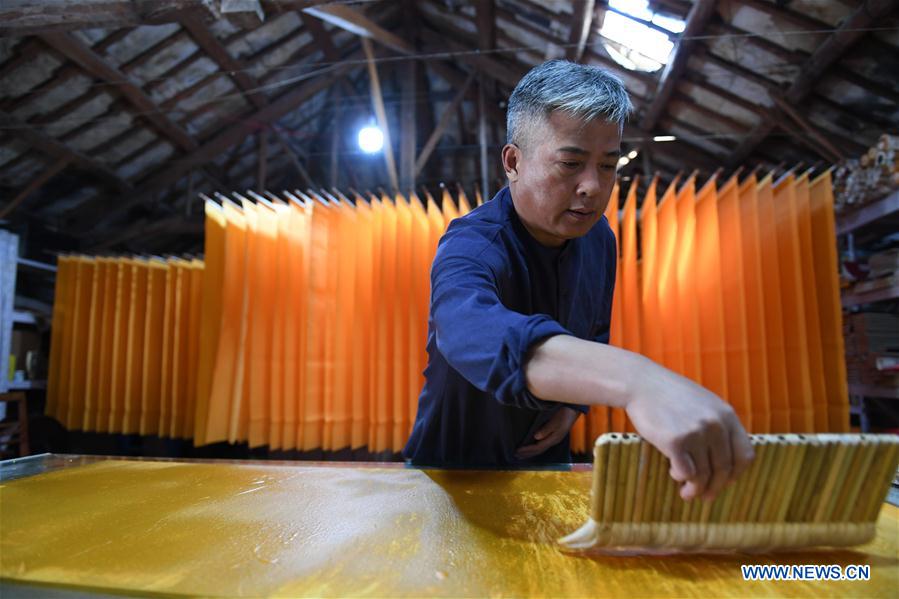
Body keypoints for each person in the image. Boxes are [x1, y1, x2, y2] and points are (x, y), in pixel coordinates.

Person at [403, 60, 753, 501]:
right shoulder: (472, 244)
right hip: (449, 474)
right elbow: (467, 331)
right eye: (570, 163)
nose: (592, 186)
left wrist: (573, 405)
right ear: (513, 161)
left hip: (546, 459)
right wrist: (637, 380)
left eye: (608, 166)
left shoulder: (598, 237)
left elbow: (592, 329)